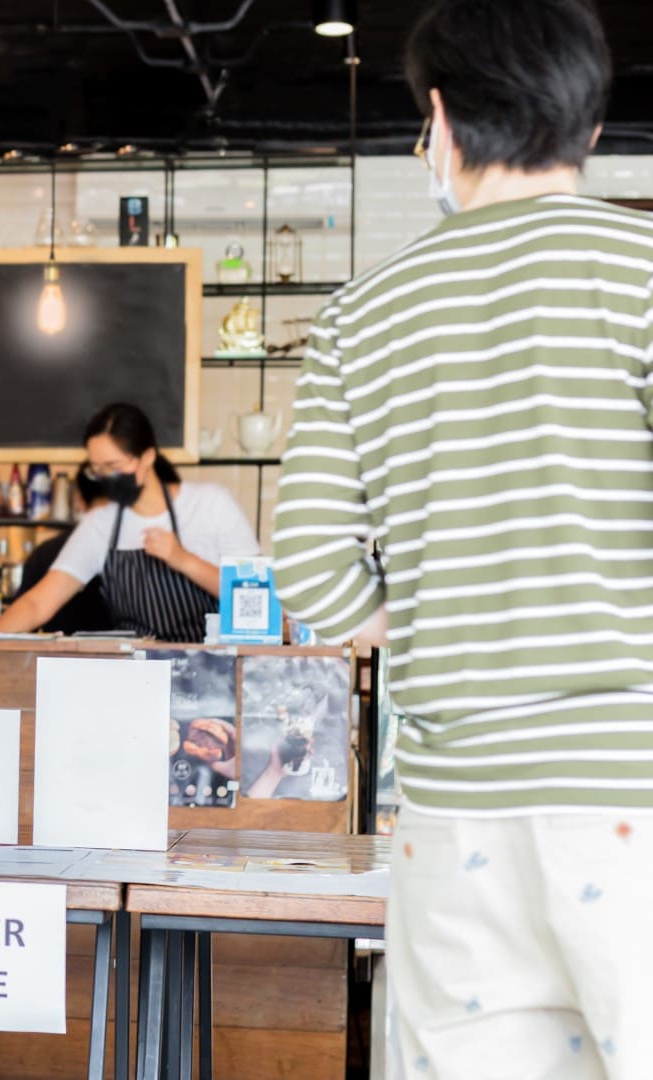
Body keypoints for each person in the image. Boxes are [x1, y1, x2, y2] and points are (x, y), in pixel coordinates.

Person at [273, 2, 653, 1075]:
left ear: (436, 122)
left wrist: (439, 634)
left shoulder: (365, 313)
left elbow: (307, 560)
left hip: (453, 815)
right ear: (585, 126)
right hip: (634, 793)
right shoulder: (640, 272)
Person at [0, 403, 259, 641]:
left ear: (148, 457)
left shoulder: (210, 505)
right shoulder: (101, 524)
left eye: (114, 465)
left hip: (208, 673)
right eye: (97, 469)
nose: (106, 476)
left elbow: (255, 597)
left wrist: (182, 559)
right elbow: (38, 603)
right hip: (135, 675)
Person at [12, 471, 114, 634]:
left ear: (79, 502)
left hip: (55, 655)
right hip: (123, 655)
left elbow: (28, 615)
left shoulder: (46, 552)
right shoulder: (136, 549)